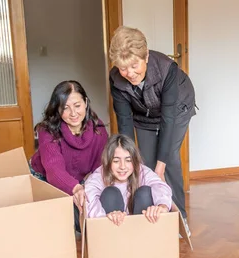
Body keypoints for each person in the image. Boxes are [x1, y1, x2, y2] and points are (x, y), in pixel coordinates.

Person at [108, 26, 195, 235]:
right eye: (123, 68)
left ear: (145, 56)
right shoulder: (116, 79)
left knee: (169, 158)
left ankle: (178, 219)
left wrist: (161, 167)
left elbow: (168, 119)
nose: (129, 73)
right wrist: (126, 159)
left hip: (177, 109)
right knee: (143, 161)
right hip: (143, 114)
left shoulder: (167, 69)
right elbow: (125, 122)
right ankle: (150, 216)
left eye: (134, 65)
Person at [29, 80, 108, 231]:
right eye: (65, 108)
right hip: (44, 178)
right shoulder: (47, 130)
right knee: (53, 223)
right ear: (57, 110)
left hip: (80, 181)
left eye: (77, 106)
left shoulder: (99, 129)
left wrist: (87, 188)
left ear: (85, 102)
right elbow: (53, 171)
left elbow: (100, 167)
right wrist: (77, 188)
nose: (73, 113)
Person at [84, 134, 173, 226]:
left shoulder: (141, 170)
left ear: (134, 161)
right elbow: (89, 199)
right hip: (112, 230)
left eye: (128, 160)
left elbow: (159, 185)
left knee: (145, 192)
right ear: (108, 161)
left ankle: (144, 236)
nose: (122, 166)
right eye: (116, 161)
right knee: (110, 193)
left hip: (140, 229)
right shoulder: (99, 175)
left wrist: (162, 206)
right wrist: (105, 217)